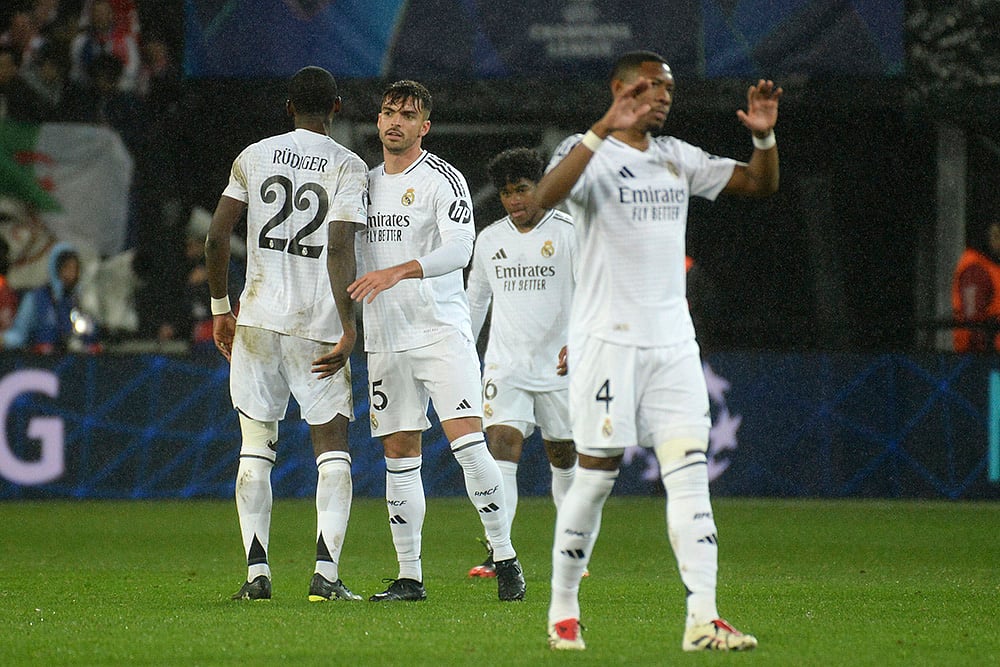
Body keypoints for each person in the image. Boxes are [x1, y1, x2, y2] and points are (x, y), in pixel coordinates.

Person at [535, 50, 780, 651]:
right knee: (595, 478)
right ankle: (562, 608)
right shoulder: (587, 151)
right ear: (619, 91)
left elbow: (757, 182)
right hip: (606, 344)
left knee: (689, 476)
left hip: (672, 343)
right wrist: (602, 126)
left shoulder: (676, 157)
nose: (664, 96)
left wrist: (766, 137)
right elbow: (544, 197)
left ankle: (704, 618)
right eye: (650, 87)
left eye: (668, 88)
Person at [343, 79, 525, 602]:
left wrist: (401, 271)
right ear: (378, 121)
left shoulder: (442, 179)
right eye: (388, 112)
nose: (394, 121)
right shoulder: (364, 184)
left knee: (469, 445)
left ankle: (505, 558)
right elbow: (350, 258)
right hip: (385, 336)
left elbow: (461, 248)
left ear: (425, 127)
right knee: (399, 456)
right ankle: (409, 577)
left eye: (407, 115)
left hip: (440, 331)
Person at [204, 66, 368, 603]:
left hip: (256, 320)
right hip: (317, 326)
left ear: (288, 104)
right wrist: (349, 324)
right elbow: (341, 248)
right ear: (337, 107)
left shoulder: (253, 156)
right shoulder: (348, 166)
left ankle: (256, 577)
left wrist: (220, 308)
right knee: (332, 450)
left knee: (255, 450)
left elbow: (215, 237)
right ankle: (325, 575)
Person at [464, 147, 578, 578]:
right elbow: (475, 302)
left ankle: (571, 550)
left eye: (523, 190)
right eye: (507, 193)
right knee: (500, 447)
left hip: (559, 365)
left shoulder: (568, 233)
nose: (515, 201)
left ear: (541, 187)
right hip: (505, 365)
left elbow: (592, 291)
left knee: (562, 452)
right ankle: (500, 551)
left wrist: (580, 341)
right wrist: (462, 354)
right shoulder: (490, 239)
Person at [2, 241, 100, 354]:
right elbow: (19, 334)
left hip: (79, 363)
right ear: (56, 269)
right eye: (66, 268)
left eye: (75, 269)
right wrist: (4, 340)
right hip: (42, 364)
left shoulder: (81, 301)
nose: (71, 274)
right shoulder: (36, 298)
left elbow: (92, 336)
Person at [952, 220, 1000, 352]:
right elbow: (973, 318)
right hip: (982, 357)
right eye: (995, 236)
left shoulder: (992, 266)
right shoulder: (976, 269)